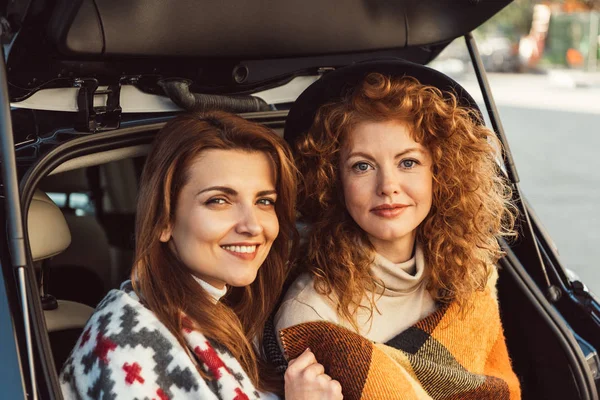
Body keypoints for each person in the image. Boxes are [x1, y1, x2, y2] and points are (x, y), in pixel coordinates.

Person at [272, 61, 521, 399]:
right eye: (362, 166)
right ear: (333, 182)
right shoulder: (312, 314)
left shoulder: (469, 272)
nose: (388, 186)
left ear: (441, 172)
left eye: (408, 162)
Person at [60, 111, 342, 400]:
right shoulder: (129, 344)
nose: (253, 225)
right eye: (218, 200)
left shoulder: (237, 315)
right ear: (164, 221)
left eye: (264, 201)